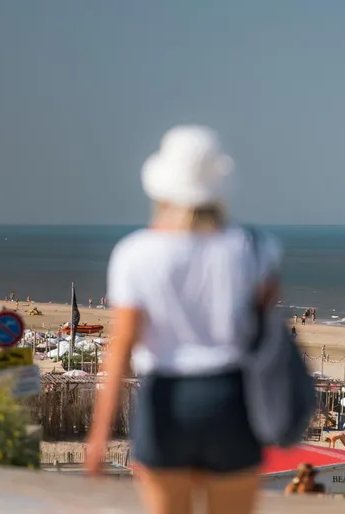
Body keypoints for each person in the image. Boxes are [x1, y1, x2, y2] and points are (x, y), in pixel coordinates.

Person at [85, 126, 282, 514]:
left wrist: (100, 433)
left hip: (165, 397)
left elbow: (121, 346)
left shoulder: (135, 253)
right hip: (232, 396)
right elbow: (265, 338)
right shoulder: (256, 249)